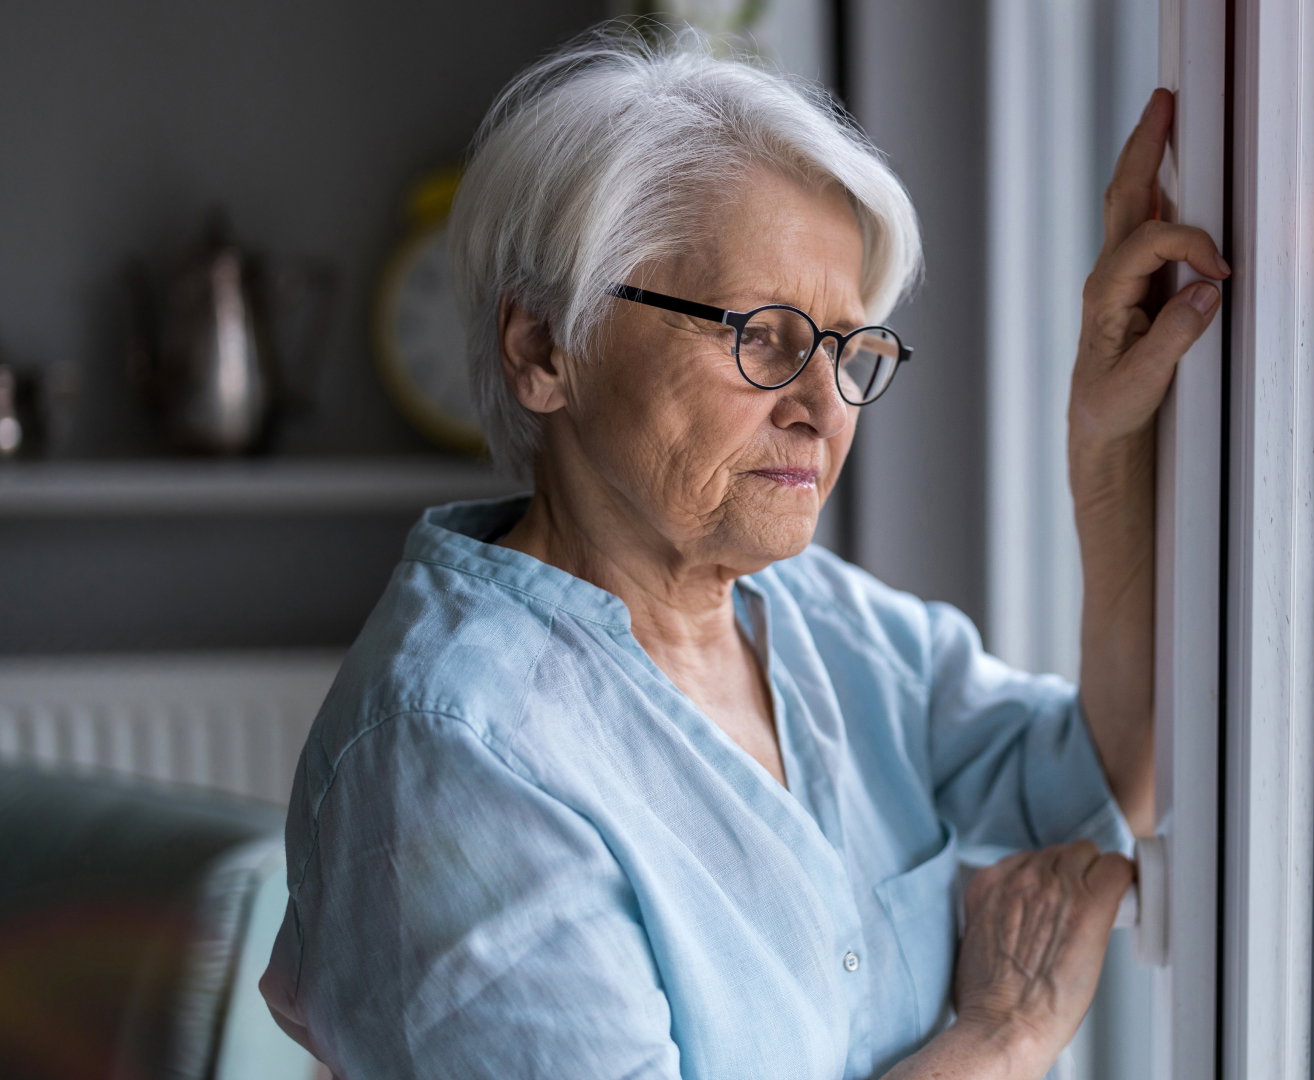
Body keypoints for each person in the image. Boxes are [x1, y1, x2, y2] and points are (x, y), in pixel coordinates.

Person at [257, 26, 1228, 1080]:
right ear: (543, 347)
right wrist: (1004, 1036)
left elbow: (1102, 768)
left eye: (851, 349)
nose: (823, 405)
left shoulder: (815, 617)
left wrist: (1104, 450)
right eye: (763, 335)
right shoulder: (452, 754)